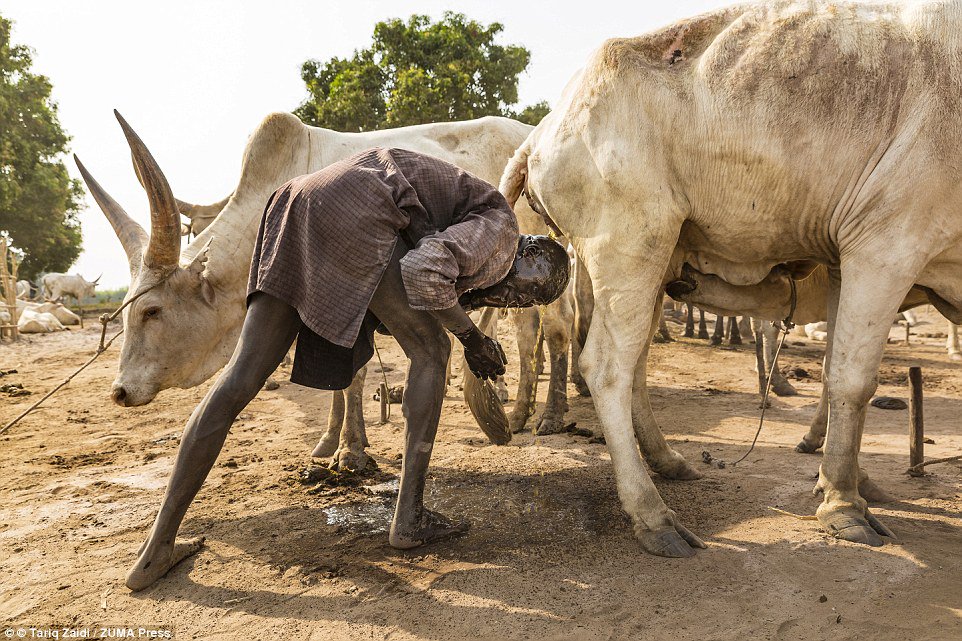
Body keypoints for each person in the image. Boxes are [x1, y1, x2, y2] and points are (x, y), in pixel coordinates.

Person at [125, 147, 570, 591]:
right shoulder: (501, 227)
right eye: (522, 295)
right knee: (432, 351)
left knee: (241, 377)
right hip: (357, 204)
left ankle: (155, 550)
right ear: (527, 256)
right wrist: (473, 339)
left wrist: (463, 325)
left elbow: (410, 280)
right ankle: (410, 518)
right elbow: (422, 269)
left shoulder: (473, 228)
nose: (510, 303)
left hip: (295, 204)